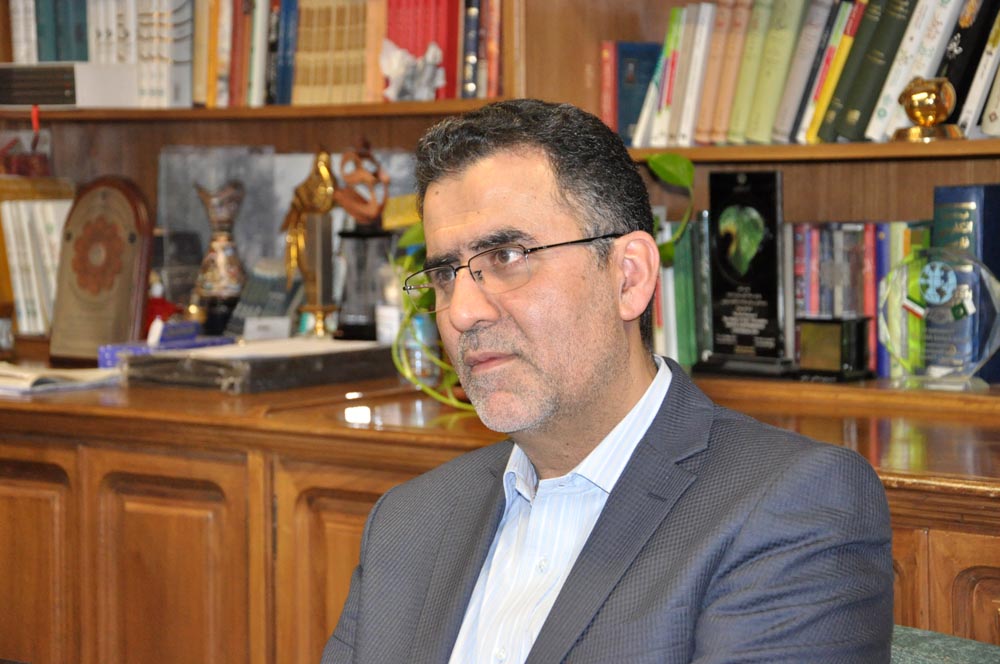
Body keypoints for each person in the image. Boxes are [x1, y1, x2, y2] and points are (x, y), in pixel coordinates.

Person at [321, 99, 893, 664]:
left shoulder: (789, 506)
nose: (463, 311)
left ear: (629, 277)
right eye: (446, 273)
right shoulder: (408, 521)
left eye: (508, 255)